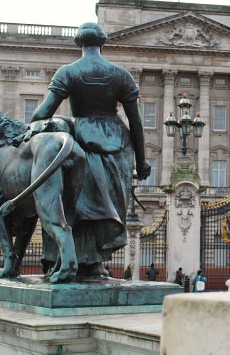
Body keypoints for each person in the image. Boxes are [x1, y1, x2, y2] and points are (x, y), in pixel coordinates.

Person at [30, 22, 151, 277]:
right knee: (105, 205)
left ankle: (61, 259)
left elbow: (43, 111)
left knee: (68, 201)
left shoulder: (69, 72)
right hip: (117, 144)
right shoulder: (121, 74)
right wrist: (141, 162)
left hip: (80, 139)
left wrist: (30, 128)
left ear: (79, 44)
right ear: (102, 43)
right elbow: (137, 124)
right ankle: (95, 263)